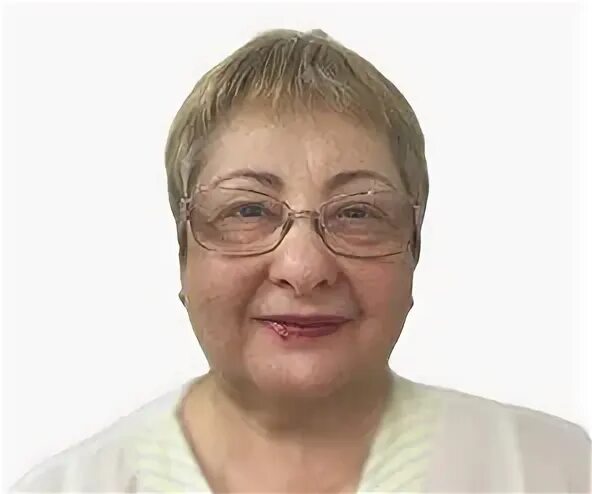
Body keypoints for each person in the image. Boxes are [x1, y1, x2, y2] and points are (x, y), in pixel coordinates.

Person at [11, 28, 590, 493]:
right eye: (248, 210)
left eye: (358, 212)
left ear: (415, 247)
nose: (304, 268)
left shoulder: (556, 473)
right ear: (182, 248)